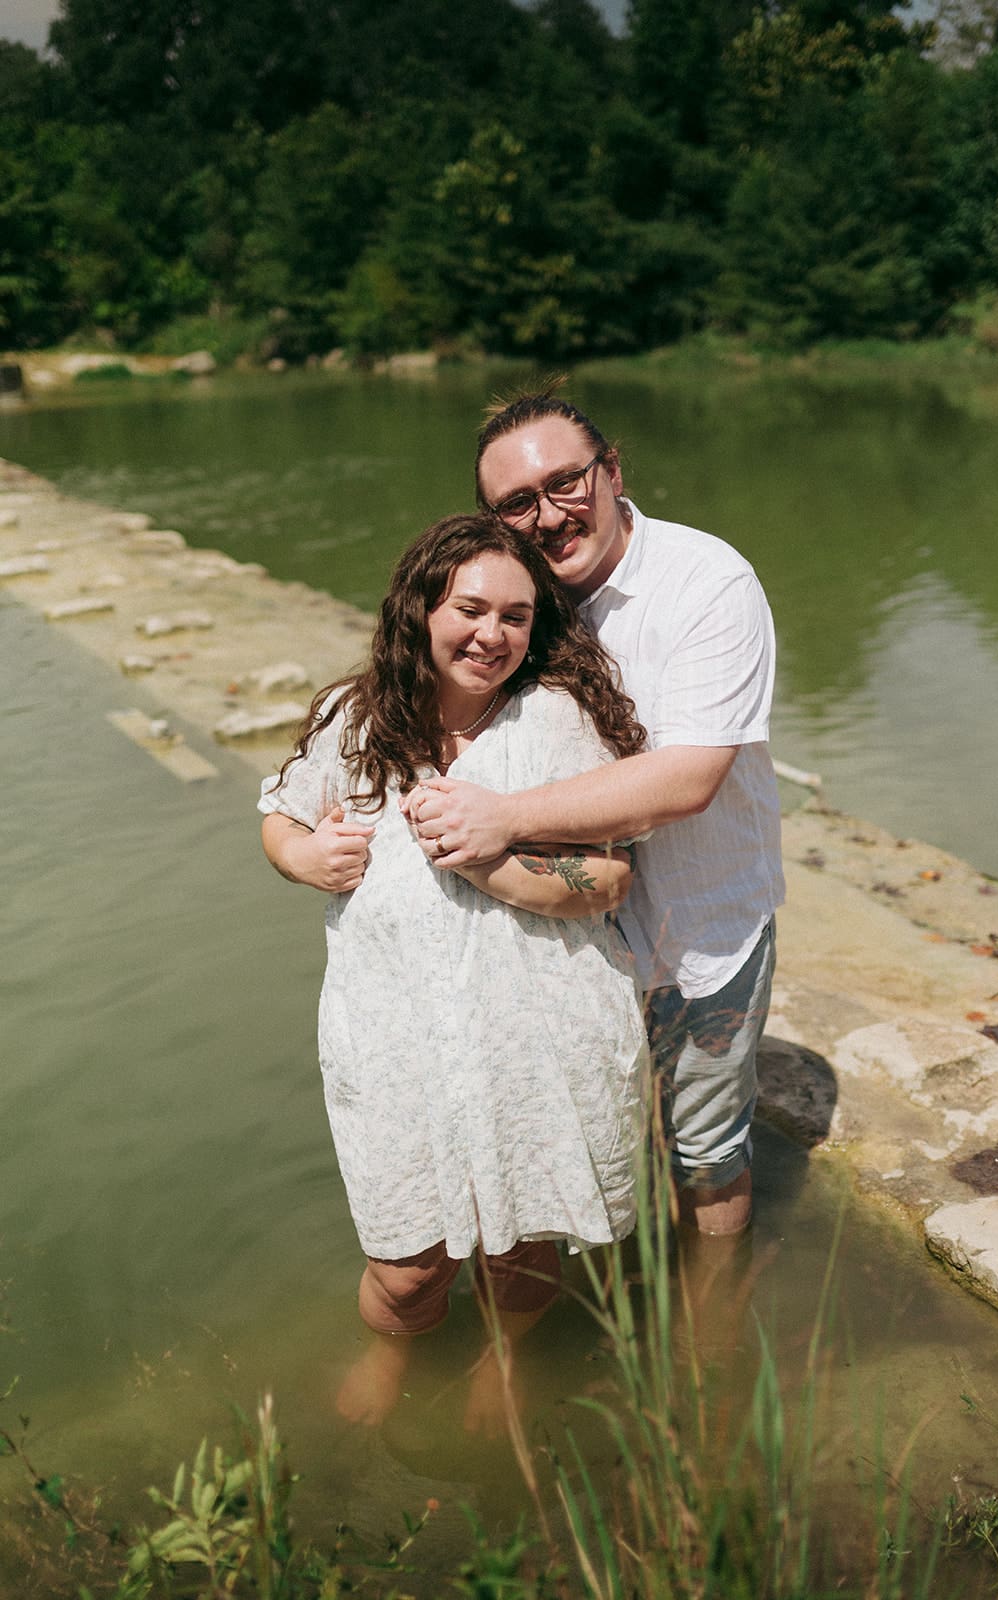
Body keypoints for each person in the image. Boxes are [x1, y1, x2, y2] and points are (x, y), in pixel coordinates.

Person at [259, 513, 649, 1427]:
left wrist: (497, 863)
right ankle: (394, 1350)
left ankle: (504, 1368)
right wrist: (304, 858)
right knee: (406, 1265)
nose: (492, 635)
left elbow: (611, 875)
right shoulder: (350, 719)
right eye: (470, 608)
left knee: (520, 1243)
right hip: (393, 1034)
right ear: (420, 608)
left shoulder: (557, 719)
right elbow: (280, 818)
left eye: (516, 617)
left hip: (533, 1035)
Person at [407, 388, 785, 1240]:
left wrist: (502, 818)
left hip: (697, 926)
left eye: (566, 483)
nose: (547, 515)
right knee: (601, 1139)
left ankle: (710, 1338)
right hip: (568, 936)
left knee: (707, 1153)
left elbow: (689, 778)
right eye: (516, 504)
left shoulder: (707, 582)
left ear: (612, 472)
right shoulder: (516, 600)